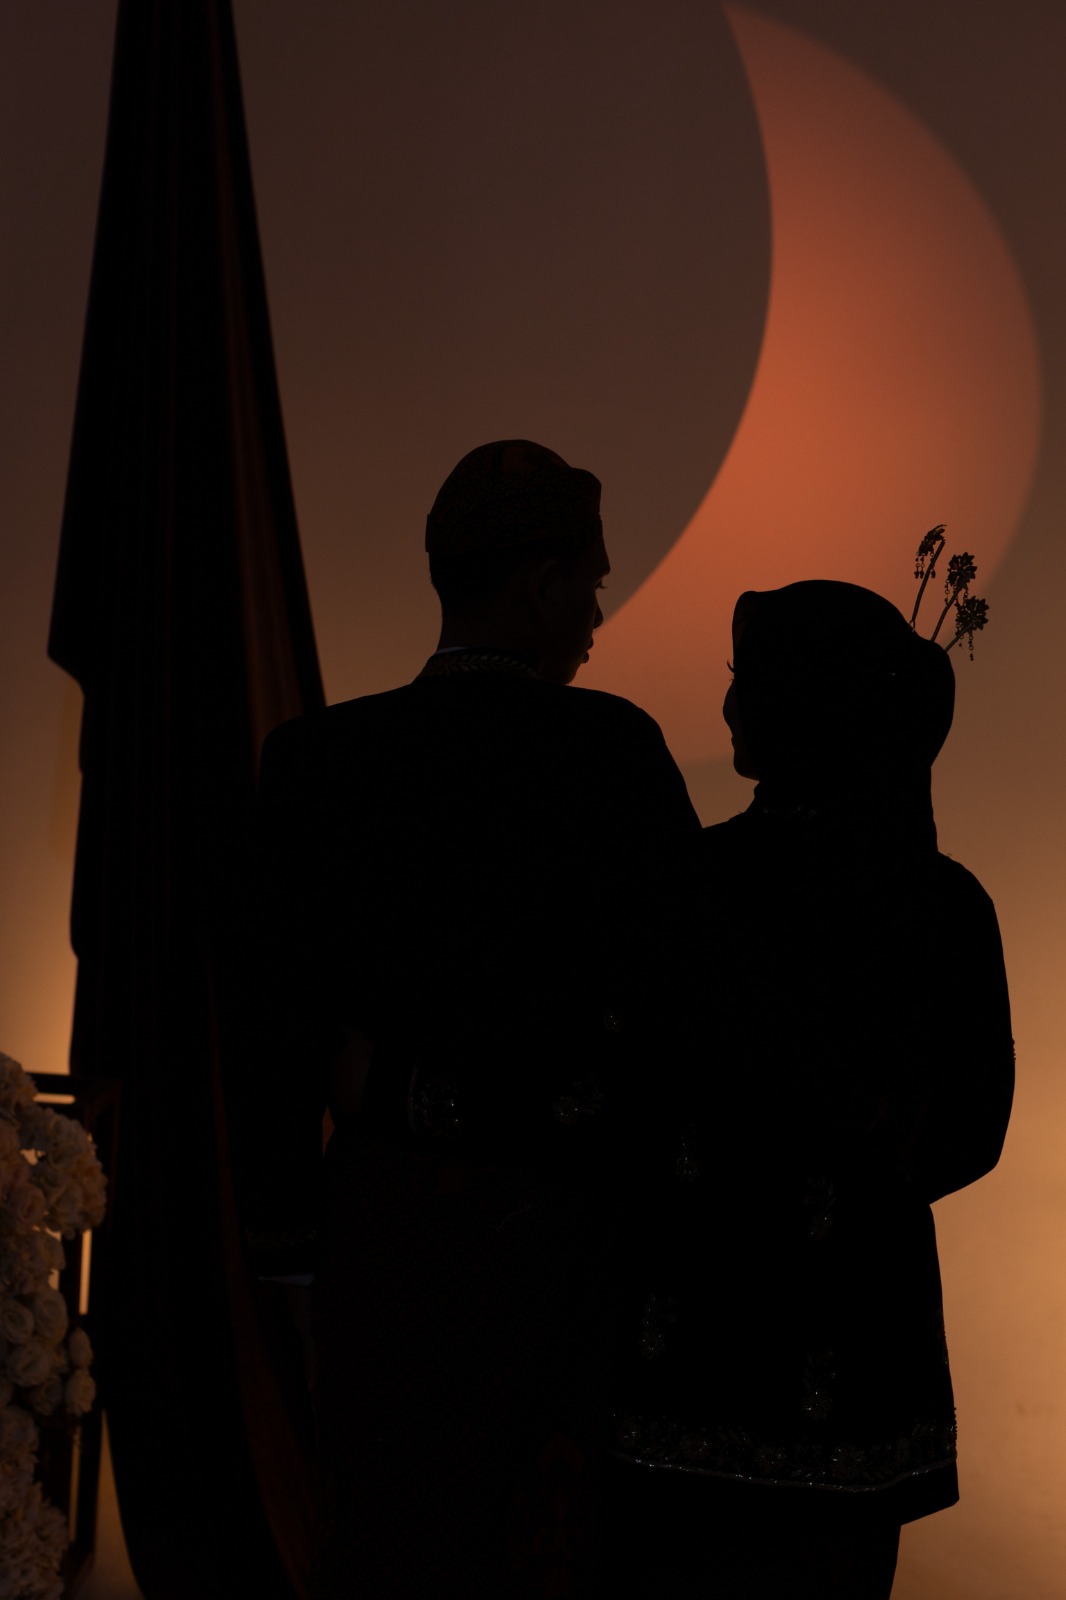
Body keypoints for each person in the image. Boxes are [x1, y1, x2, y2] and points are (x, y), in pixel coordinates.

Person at [242, 440, 701, 1597]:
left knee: (395, 1543)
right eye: (591, 582)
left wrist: (289, 1258)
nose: (596, 614)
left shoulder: (313, 762)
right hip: (567, 1250)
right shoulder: (613, 753)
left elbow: (274, 1032)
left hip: (382, 1241)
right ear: (541, 586)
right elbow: (675, 1018)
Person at [607, 580, 1014, 1599]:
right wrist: (857, 1185)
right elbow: (972, 1129)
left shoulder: (686, 884)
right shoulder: (944, 902)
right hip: (856, 1360)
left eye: (746, 680)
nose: (728, 706)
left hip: (687, 1354)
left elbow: (624, 1094)